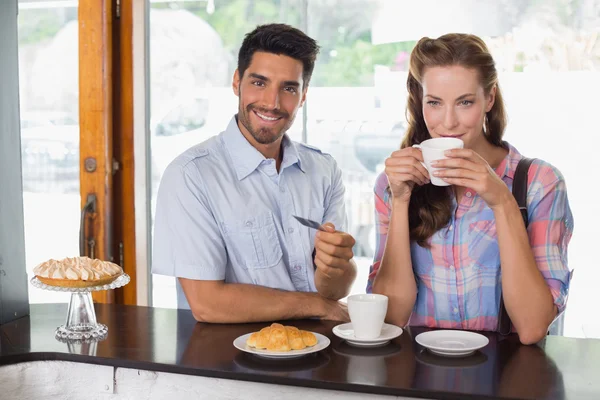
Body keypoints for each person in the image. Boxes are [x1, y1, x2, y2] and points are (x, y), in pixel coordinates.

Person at [367, 33, 573, 345]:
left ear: (489, 98)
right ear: (419, 102)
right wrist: (399, 199)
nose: (448, 122)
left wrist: (501, 201)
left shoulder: (539, 183)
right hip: (420, 377)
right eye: (434, 103)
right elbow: (392, 317)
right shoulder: (393, 184)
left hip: (506, 379)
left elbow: (532, 328)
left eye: (465, 102)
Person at [152, 24, 356, 323]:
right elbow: (207, 304)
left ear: (303, 96)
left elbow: (335, 290)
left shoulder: (323, 171)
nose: (271, 103)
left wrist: (334, 268)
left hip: (318, 354)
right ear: (237, 82)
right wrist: (318, 306)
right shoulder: (190, 176)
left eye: (288, 88)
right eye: (259, 83)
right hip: (229, 361)